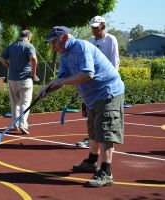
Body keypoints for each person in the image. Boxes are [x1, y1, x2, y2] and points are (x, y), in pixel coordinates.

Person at [38, 26, 124, 187]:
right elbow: (61, 78)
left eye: (54, 42)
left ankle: (106, 172)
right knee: (93, 132)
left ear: (64, 38)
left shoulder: (82, 47)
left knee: (105, 131)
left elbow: (87, 73)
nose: (52, 46)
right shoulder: (64, 55)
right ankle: (91, 162)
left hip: (108, 92)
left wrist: (62, 82)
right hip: (92, 97)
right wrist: (46, 90)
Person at [77, 15, 120, 148]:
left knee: (102, 113)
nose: (94, 30)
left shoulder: (111, 40)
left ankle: (98, 139)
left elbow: (115, 61)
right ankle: (91, 138)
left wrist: (112, 79)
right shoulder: (90, 40)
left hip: (106, 83)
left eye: (96, 28)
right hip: (91, 83)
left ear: (103, 26)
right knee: (89, 112)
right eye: (92, 28)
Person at [0, 30, 38, 135]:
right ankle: (22, 125)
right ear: (29, 37)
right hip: (25, 79)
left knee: (14, 103)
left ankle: (15, 125)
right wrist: (33, 73)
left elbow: (2, 58)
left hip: (12, 78)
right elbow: (34, 59)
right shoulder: (29, 46)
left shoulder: (11, 45)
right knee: (25, 103)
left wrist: (9, 67)